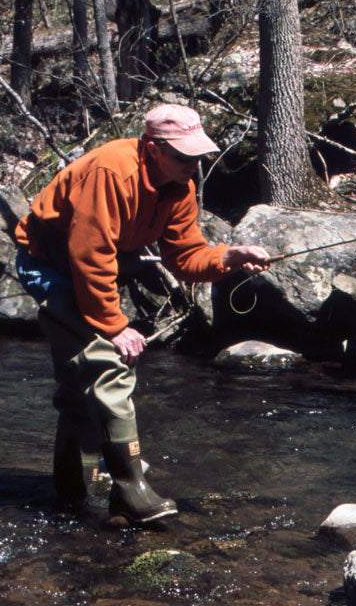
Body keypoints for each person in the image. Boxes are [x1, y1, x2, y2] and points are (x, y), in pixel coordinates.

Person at [14, 104, 271, 524]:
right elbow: (89, 254)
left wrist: (230, 256)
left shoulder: (179, 187)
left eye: (197, 156)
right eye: (183, 156)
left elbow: (185, 257)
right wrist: (115, 327)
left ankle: (69, 494)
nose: (193, 165)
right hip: (49, 262)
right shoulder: (112, 172)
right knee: (109, 363)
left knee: (81, 380)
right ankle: (131, 491)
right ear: (153, 148)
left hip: (93, 265)